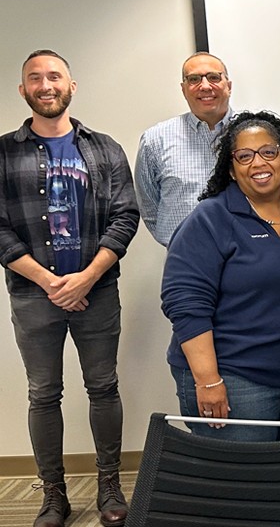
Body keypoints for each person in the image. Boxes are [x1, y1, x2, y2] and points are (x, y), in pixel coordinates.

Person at [1, 49, 139, 527]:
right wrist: (49, 282)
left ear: (71, 85)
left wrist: (86, 277)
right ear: (23, 90)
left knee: (104, 387)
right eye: (35, 78)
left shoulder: (104, 148)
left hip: (97, 292)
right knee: (43, 394)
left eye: (54, 76)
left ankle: (109, 486)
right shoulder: (2, 152)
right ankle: (53, 495)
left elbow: (126, 216)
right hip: (32, 297)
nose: (46, 85)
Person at [161, 111, 280, 442]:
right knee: (242, 487)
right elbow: (186, 304)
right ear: (231, 169)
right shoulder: (210, 219)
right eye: (244, 155)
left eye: (269, 152)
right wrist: (208, 380)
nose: (258, 163)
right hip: (233, 378)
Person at [135, 52, 234, 246]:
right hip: (184, 258)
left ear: (228, 86)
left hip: (248, 256)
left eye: (214, 77)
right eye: (194, 79)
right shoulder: (155, 140)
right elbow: (149, 206)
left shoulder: (255, 133)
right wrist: (176, 240)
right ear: (184, 89)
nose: (205, 86)